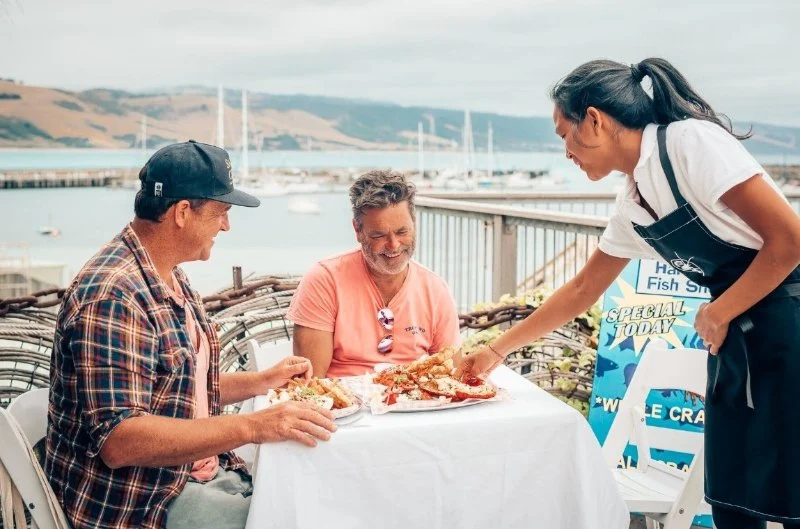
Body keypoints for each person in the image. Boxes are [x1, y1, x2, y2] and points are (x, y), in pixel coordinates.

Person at [455, 58, 800, 529]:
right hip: (738, 338)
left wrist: (720, 311)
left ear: (594, 120)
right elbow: (582, 289)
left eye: (564, 135)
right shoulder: (633, 204)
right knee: (733, 501)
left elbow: (790, 241)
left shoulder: (688, 144)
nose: (566, 153)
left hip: (787, 324)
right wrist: (496, 351)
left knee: (790, 495)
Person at [46, 140, 337, 529]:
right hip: (143, 504)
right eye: (221, 213)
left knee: (318, 499)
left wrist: (263, 381)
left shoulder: (165, 273)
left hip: (192, 480)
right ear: (182, 212)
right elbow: (120, 440)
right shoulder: (114, 295)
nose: (226, 226)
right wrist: (254, 426)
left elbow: (177, 388)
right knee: (307, 518)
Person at [288, 169, 461, 377]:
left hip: (413, 395)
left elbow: (452, 374)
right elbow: (310, 382)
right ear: (357, 230)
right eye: (379, 235)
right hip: (341, 396)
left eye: (402, 231)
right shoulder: (324, 280)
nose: (394, 245)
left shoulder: (435, 289)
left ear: (414, 223)